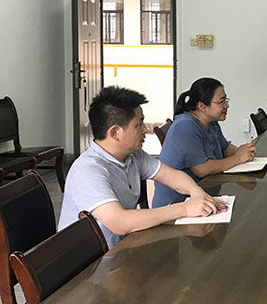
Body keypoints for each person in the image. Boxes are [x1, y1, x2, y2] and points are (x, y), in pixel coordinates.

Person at [58, 86, 224, 248]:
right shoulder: (88, 171)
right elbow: (120, 222)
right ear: (115, 133)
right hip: (95, 260)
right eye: (139, 124)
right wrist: (184, 209)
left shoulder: (133, 155)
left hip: (124, 246)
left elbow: (171, 175)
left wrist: (196, 192)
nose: (145, 129)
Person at [152, 77, 257, 208]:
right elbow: (201, 169)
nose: (226, 105)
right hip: (177, 203)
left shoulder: (211, 122)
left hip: (204, 192)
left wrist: (244, 152)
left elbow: (225, 148)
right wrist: (238, 158)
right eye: (222, 102)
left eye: (226, 100)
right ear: (202, 106)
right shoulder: (185, 126)